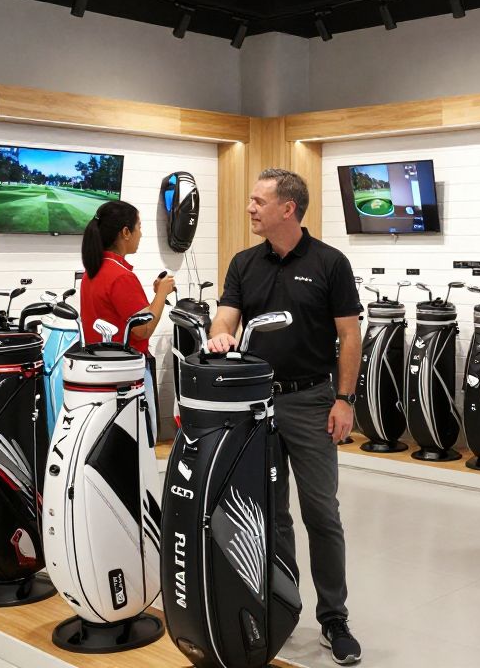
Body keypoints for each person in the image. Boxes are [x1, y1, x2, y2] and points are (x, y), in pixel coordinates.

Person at [207, 168, 364, 665]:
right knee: (271, 514)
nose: (250, 208)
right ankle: (283, 602)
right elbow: (226, 315)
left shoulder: (329, 263)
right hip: (255, 405)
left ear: (287, 209)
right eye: (251, 200)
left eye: (258, 201)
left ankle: (334, 618)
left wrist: (344, 399)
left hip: (312, 401)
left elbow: (350, 336)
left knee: (322, 513)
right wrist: (219, 336)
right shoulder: (244, 262)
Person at [79, 200, 176, 434]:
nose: (141, 234)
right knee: (142, 438)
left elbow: (129, 318)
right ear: (125, 232)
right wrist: (162, 293)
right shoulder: (120, 276)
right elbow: (142, 329)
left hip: (102, 371)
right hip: (127, 374)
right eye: (139, 227)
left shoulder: (93, 271)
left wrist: (156, 297)